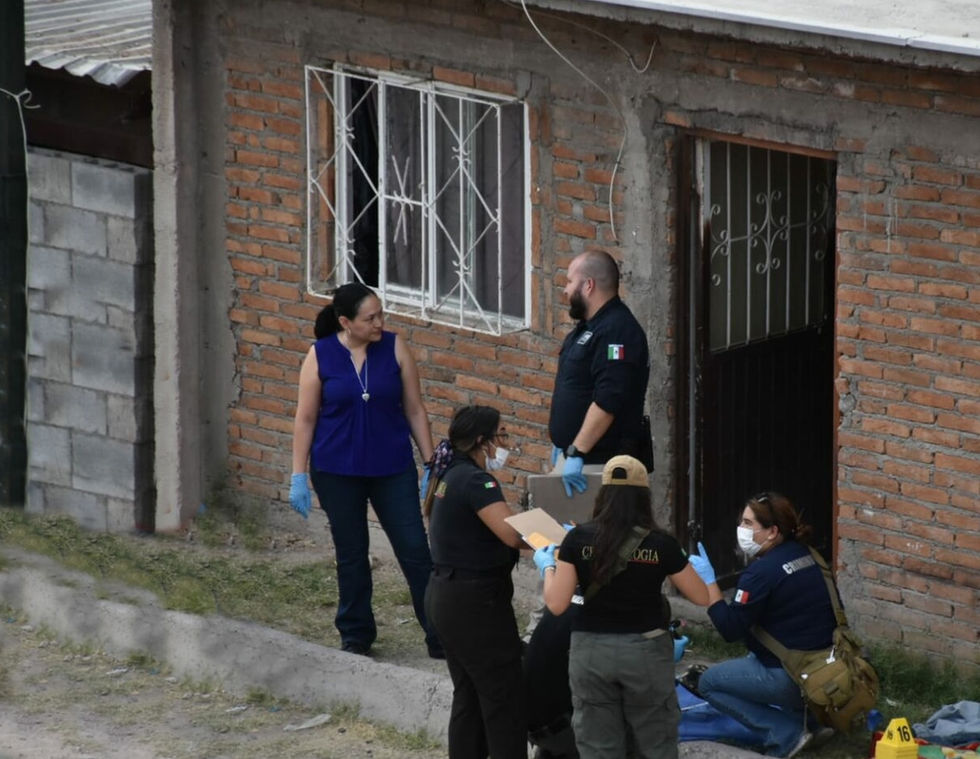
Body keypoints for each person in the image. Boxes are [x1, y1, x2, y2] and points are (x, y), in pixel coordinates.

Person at [288, 282, 441, 658]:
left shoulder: (394, 347)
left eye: (381, 314)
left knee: (415, 550)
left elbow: (415, 409)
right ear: (345, 322)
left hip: (391, 468)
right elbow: (305, 419)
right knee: (352, 553)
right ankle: (356, 633)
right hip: (336, 470)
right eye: (370, 318)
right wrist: (298, 474)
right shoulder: (320, 355)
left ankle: (440, 633)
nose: (379, 323)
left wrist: (432, 463)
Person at [535, 455, 710, 759]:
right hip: (644, 652)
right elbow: (701, 597)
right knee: (655, 743)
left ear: (603, 494)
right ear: (644, 496)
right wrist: (701, 572)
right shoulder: (661, 543)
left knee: (599, 746)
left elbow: (557, 603)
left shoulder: (577, 539)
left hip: (590, 654)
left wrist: (548, 567)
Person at [687, 492, 838, 758]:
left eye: (748, 524)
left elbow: (730, 629)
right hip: (829, 673)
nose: (741, 530)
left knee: (709, 682)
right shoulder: (809, 555)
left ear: (772, 532)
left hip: (793, 679)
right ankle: (813, 723)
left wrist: (709, 583)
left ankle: (784, 734)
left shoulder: (760, 574)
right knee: (762, 649)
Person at [423, 405, 528, 759]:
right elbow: (511, 534)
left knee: (468, 694)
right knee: (504, 697)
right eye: (502, 435)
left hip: (447, 597)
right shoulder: (476, 480)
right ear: (482, 442)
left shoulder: (449, 474)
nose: (505, 443)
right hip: (474, 604)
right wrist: (558, 537)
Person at [549, 250, 650, 498]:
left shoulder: (618, 331)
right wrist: (563, 444)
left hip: (598, 463)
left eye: (570, 282)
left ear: (588, 285)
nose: (565, 290)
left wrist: (577, 451)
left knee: (594, 536)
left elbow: (609, 399)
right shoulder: (590, 327)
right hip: (577, 457)